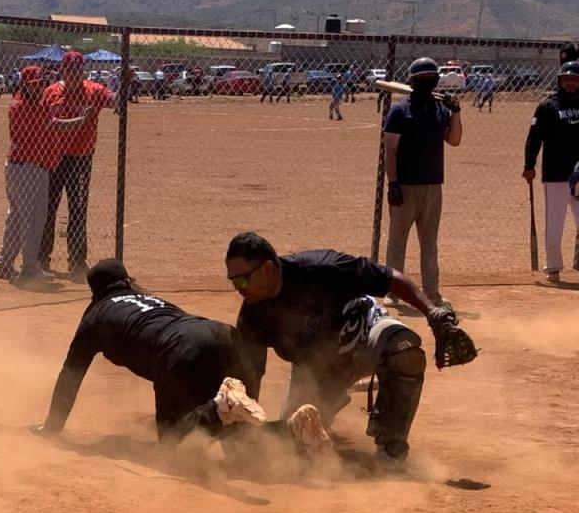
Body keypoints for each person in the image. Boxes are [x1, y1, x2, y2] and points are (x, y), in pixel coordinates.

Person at [225, 232, 476, 462]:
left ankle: (391, 447)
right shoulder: (252, 317)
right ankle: (339, 393)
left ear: (267, 268)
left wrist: (432, 313)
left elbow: (390, 279)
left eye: (242, 280)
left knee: (405, 350)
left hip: (364, 335)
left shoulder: (321, 267)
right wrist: (246, 426)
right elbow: (250, 375)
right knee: (297, 443)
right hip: (317, 372)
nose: (237, 288)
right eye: (232, 281)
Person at [32, 258, 330, 447]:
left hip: (177, 351)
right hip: (219, 334)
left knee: (174, 447)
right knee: (241, 444)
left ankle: (219, 409)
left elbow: (70, 375)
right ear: (128, 281)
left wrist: (52, 427)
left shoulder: (95, 315)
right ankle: (291, 429)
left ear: (95, 293)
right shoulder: (145, 295)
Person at [0, 66, 88, 284]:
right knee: (32, 220)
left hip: (35, 168)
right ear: (24, 85)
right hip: (26, 168)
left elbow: (53, 125)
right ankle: (28, 267)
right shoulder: (21, 106)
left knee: (17, 218)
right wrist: (74, 122)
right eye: (34, 85)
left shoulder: (37, 105)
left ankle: (5, 263)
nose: (38, 88)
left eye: (40, 84)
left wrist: (78, 121)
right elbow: (50, 126)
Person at [383, 57, 463, 306]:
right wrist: (393, 183)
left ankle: (432, 292)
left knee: (429, 242)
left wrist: (456, 112)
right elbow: (390, 150)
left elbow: (455, 140)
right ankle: (393, 292)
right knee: (398, 240)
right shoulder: (400, 111)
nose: (427, 82)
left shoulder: (440, 109)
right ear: (412, 82)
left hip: (433, 185)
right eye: (422, 79)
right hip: (406, 185)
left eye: (431, 78)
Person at [39, 51, 116, 281]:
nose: (73, 73)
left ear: (82, 71)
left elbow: (115, 100)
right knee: (48, 209)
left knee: (78, 210)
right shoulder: (51, 92)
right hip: (53, 158)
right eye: (69, 69)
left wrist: (124, 83)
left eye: (77, 69)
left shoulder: (94, 90)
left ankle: (77, 261)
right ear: (63, 70)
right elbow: (39, 119)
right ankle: (42, 259)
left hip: (81, 158)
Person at [523, 61, 579, 283]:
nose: (570, 83)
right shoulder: (548, 106)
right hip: (556, 173)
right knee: (554, 222)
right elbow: (533, 138)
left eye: (574, 79)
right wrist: (529, 165)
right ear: (559, 81)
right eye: (566, 79)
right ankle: (553, 266)